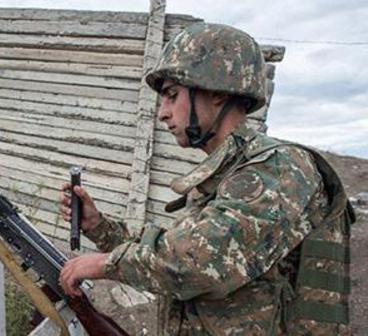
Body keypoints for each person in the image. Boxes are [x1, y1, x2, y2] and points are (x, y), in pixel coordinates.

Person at [58, 23, 354, 335]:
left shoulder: (280, 169)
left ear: (215, 93)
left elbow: (195, 262)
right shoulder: (229, 173)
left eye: (172, 96)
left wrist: (104, 264)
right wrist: (99, 226)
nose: (163, 113)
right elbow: (170, 252)